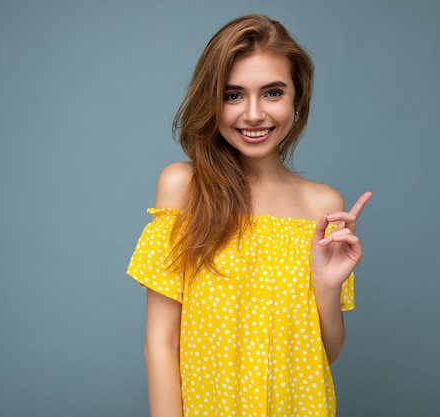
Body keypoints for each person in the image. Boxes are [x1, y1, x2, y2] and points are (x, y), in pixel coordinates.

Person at [126, 14, 371, 417]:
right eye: (233, 95)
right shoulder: (183, 187)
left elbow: (326, 354)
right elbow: (160, 342)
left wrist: (327, 289)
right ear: (212, 101)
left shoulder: (322, 204)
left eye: (273, 93)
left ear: (297, 99)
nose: (254, 114)